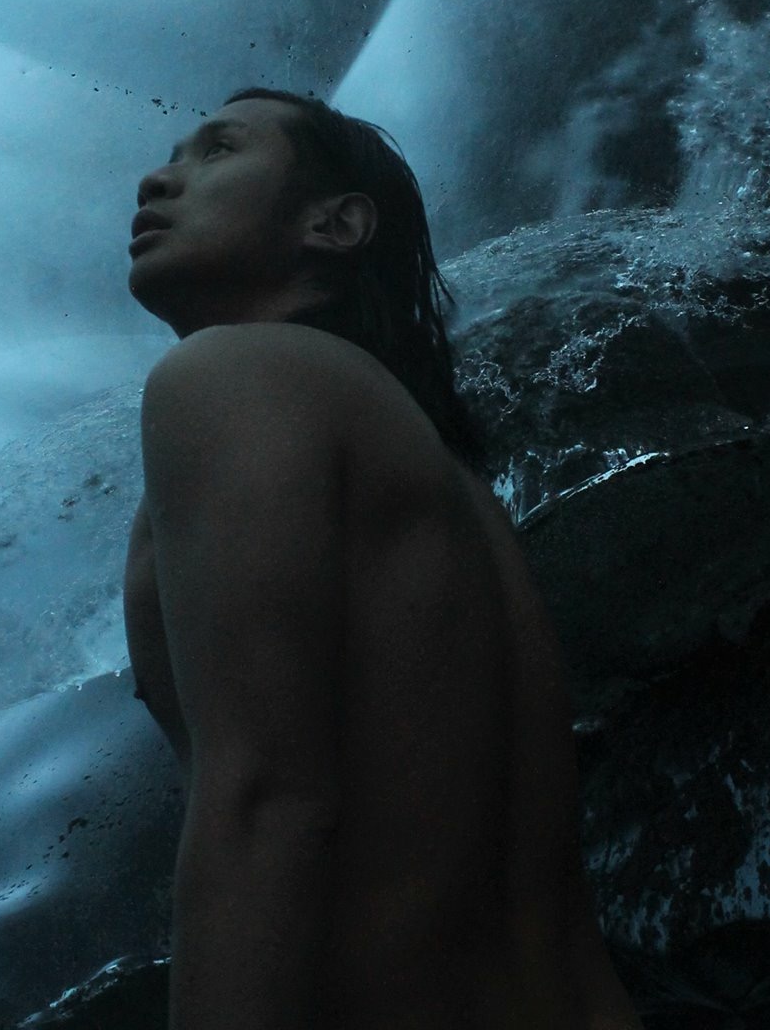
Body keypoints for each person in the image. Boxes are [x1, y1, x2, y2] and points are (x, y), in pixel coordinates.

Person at [121, 87, 644, 1030]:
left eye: (217, 150)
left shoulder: (234, 374)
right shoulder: (432, 469)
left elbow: (266, 800)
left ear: (336, 222)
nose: (159, 177)